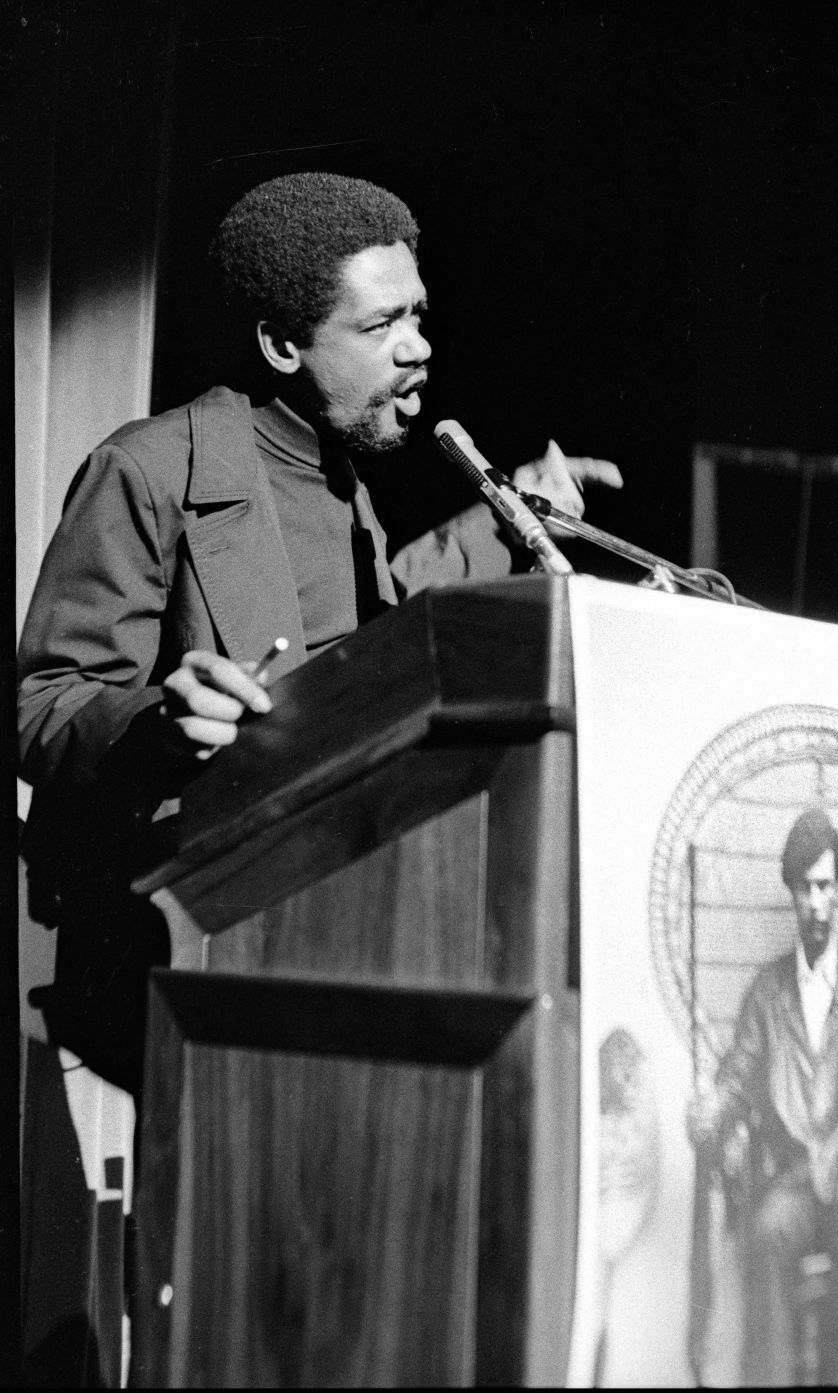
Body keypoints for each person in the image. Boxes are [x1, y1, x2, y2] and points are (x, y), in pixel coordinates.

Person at [17, 171, 621, 1096]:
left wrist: (505, 521)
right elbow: (42, 704)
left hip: (330, 912)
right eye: (380, 326)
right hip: (191, 947)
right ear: (281, 344)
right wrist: (160, 722)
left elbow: (362, 647)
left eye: (417, 314)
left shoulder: (344, 483)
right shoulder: (148, 469)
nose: (418, 347)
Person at [687, 808, 838, 1386]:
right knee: (767, 1233)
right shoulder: (766, 993)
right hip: (789, 1174)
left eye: (825, 886)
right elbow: (738, 1072)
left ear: (837, 888)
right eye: (805, 889)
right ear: (791, 894)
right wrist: (711, 1111)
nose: (816, 903)